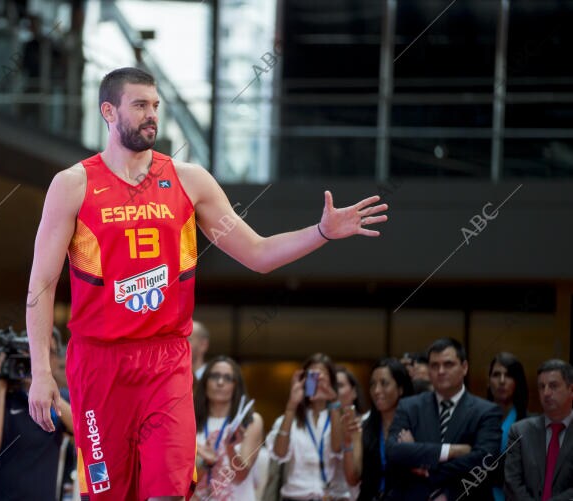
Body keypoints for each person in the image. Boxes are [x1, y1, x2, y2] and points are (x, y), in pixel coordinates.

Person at [25, 67, 388, 501]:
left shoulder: (188, 179)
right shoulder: (72, 185)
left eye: (155, 106)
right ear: (108, 111)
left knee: (167, 492)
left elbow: (258, 254)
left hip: (166, 362)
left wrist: (321, 232)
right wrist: (41, 372)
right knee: (107, 495)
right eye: (139, 105)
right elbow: (41, 284)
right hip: (99, 363)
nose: (151, 116)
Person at [385, 338, 502, 500]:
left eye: (448, 364)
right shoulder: (409, 407)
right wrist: (450, 451)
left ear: (464, 367)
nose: (440, 371)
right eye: (434, 365)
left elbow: (485, 460)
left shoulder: (486, 411)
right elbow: (393, 451)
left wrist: (425, 464)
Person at [0, 351, 73, 500]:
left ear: (56, 360)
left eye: (48, 351)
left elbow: (80, 429)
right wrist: (0, 391)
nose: (37, 359)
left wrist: (40, 385)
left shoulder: (58, 401)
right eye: (29, 353)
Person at [266, 353, 343, 500]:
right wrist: (291, 405)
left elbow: (337, 448)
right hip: (295, 497)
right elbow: (280, 453)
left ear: (331, 382)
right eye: (313, 377)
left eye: (323, 377)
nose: (318, 382)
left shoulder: (337, 418)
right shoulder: (289, 419)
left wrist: (333, 401)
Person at [192, 356, 263, 500]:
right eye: (214, 376)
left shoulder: (250, 421)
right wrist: (205, 463)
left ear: (236, 385)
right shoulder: (190, 422)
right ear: (205, 382)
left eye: (227, 378)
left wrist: (229, 449)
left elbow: (240, 476)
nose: (220, 382)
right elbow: (185, 484)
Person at [341, 359, 414, 501]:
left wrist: (412, 450)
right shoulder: (363, 427)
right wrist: (348, 441)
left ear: (400, 389)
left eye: (384, 383)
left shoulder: (415, 426)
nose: (376, 390)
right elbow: (352, 479)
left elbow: (428, 473)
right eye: (372, 384)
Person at [504, 359, 573, 500]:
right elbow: (512, 483)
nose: (546, 393)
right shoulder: (520, 431)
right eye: (541, 387)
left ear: (571, 389)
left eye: (553, 386)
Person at [485, 352, 528, 501]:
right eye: (496, 375)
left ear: (517, 381)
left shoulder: (529, 423)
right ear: (488, 381)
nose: (502, 381)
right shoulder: (476, 419)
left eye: (508, 375)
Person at [330, 366, 367, 500]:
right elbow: (336, 447)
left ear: (354, 392)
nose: (334, 391)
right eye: (331, 386)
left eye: (339, 385)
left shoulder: (367, 422)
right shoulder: (322, 424)